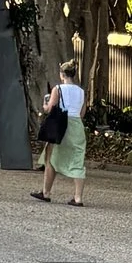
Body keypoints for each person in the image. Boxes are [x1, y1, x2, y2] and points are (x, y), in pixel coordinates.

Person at [31, 61, 88, 206]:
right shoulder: (81, 92)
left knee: (51, 158)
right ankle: (78, 197)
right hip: (76, 126)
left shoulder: (58, 89)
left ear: (62, 74)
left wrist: (45, 105)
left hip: (60, 126)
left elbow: (50, 109)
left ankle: (46, 192)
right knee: (77, 160)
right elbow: (82, 113)